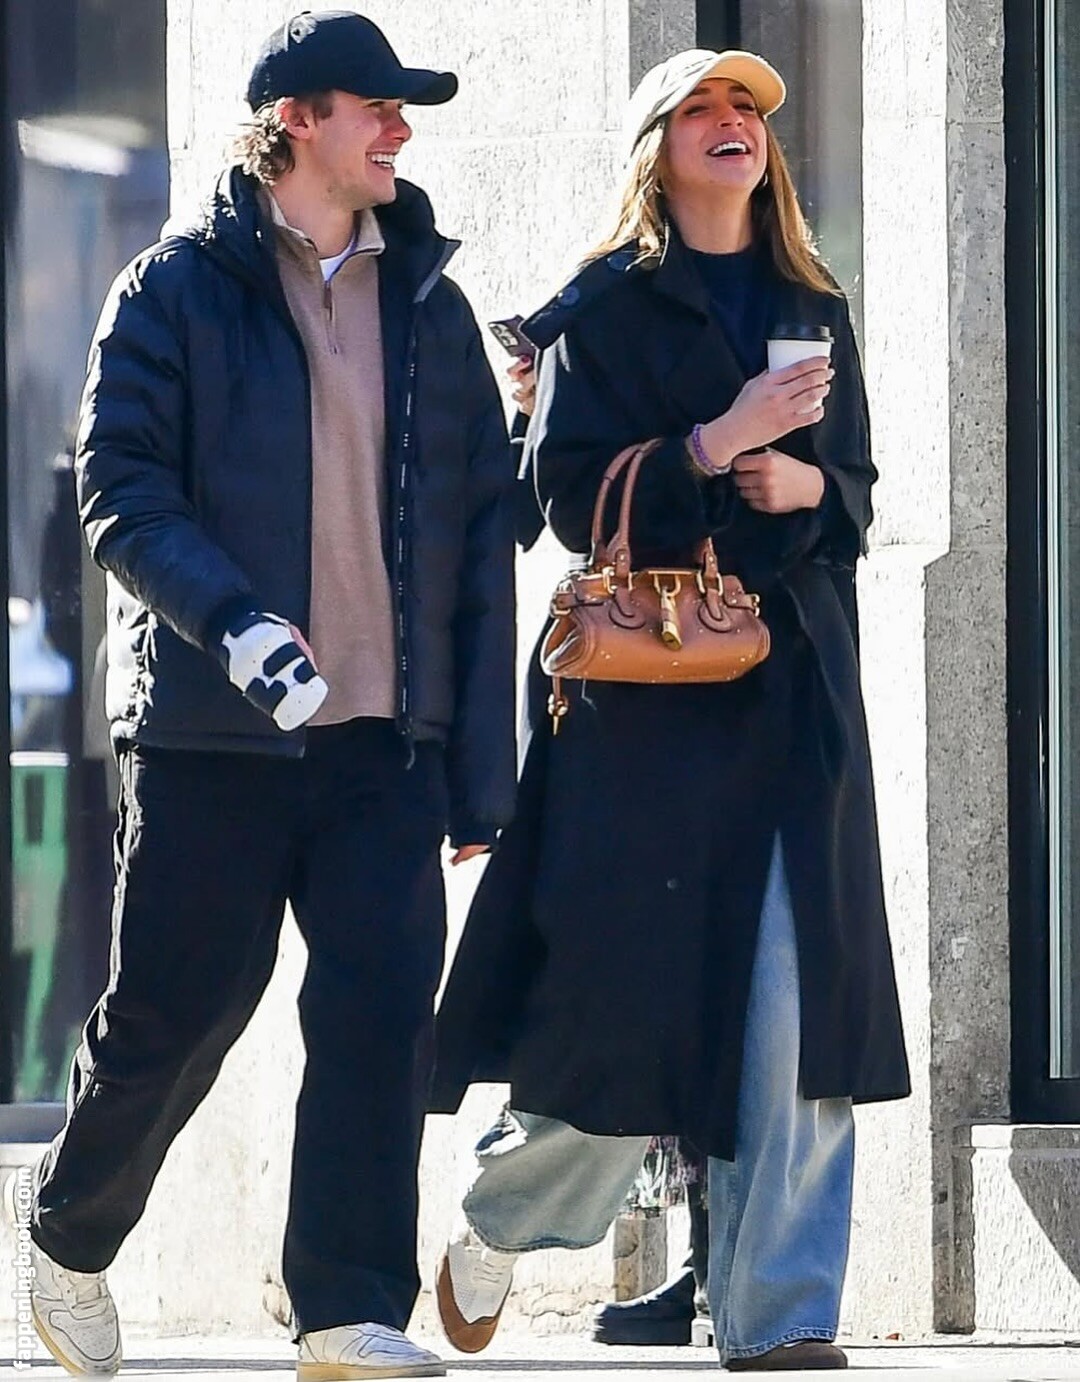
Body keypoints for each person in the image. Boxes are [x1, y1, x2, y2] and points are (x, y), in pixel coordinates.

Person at [3, 11, 515, 1380]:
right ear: (295, 117)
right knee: (181, 1013)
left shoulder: (431, 306)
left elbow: (481, 537)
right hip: (211, 733)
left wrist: (480, 766)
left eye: (405, 110)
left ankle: (345, 1306)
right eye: (376, 106)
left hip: (383, 742)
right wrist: (232, 621)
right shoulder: (173, 290)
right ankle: (66, 1229)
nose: (399, 128)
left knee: (380, 1018)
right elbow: (121, 493)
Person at [430, 47, 909, 1372]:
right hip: (644, 715)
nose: (730, 123)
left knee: (791, 1016)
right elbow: (564, 502)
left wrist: (816, 491)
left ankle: (781, 1318)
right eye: (700, 107)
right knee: (622, 1019)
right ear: (657, 149)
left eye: (745, 107)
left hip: (793, 702)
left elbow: (855, 488)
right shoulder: (603, 311)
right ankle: (501, 1219)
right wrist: (716, 444)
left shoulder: (814, 303)